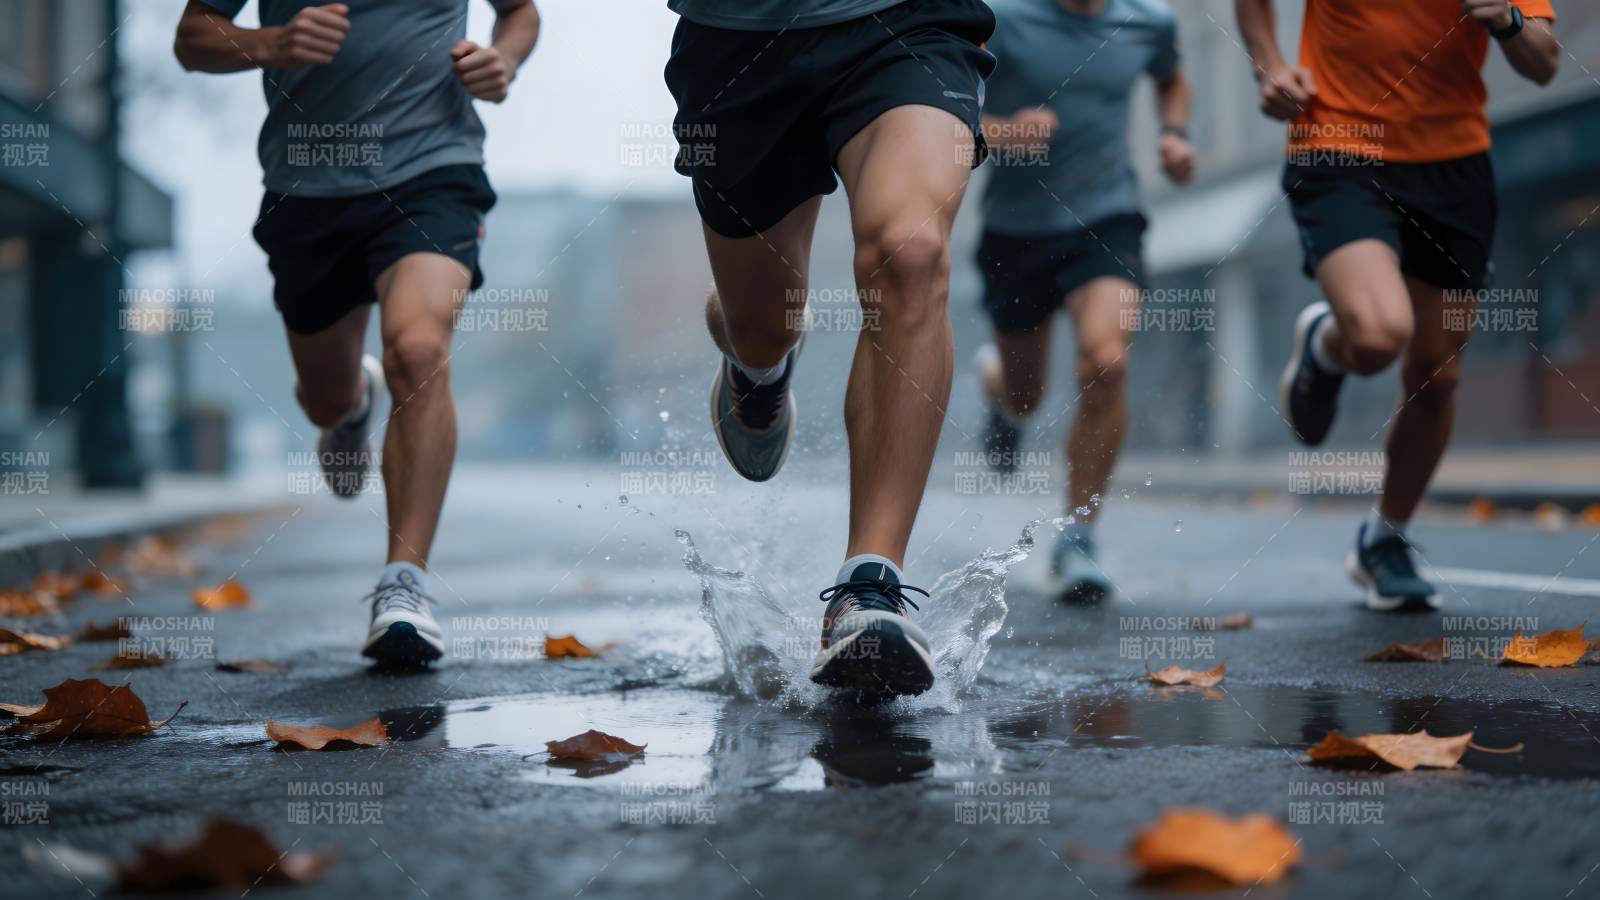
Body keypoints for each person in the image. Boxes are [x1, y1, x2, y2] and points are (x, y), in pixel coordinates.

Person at [174, 0, 540, 663]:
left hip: (433, 171)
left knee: (418, 348)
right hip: (307, 189)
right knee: (324, 397)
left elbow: (518, 13)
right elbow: (193, 38)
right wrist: (274, 41)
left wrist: (503, 59)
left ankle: (405, 586)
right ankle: (351, 408)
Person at [665, 0, 996, 698]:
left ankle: (868, 586)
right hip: (739, 41)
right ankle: (760, 364)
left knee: (911, 256)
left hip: (909, 24)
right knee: (761, 323)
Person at [1237, 0, 1559, 611]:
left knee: (1438, 376)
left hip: (1455, 166)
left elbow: (1543, 64)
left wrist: (1507, 18)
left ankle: (1384, 541)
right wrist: (1269, 65)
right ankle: (1332, 345)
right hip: (1338, 144)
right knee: (1382, 333)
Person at [973, 0, 1193, 603]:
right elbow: (947, 108)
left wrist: (1174, 134)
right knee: (1026, 396)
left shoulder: (1150, 22)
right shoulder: (1003, 21)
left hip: (1107, 220)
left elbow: (1171, 77)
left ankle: (1078, 537)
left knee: (1106, 362)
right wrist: (1000, 130)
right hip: (1015, 234)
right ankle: (997, 386)